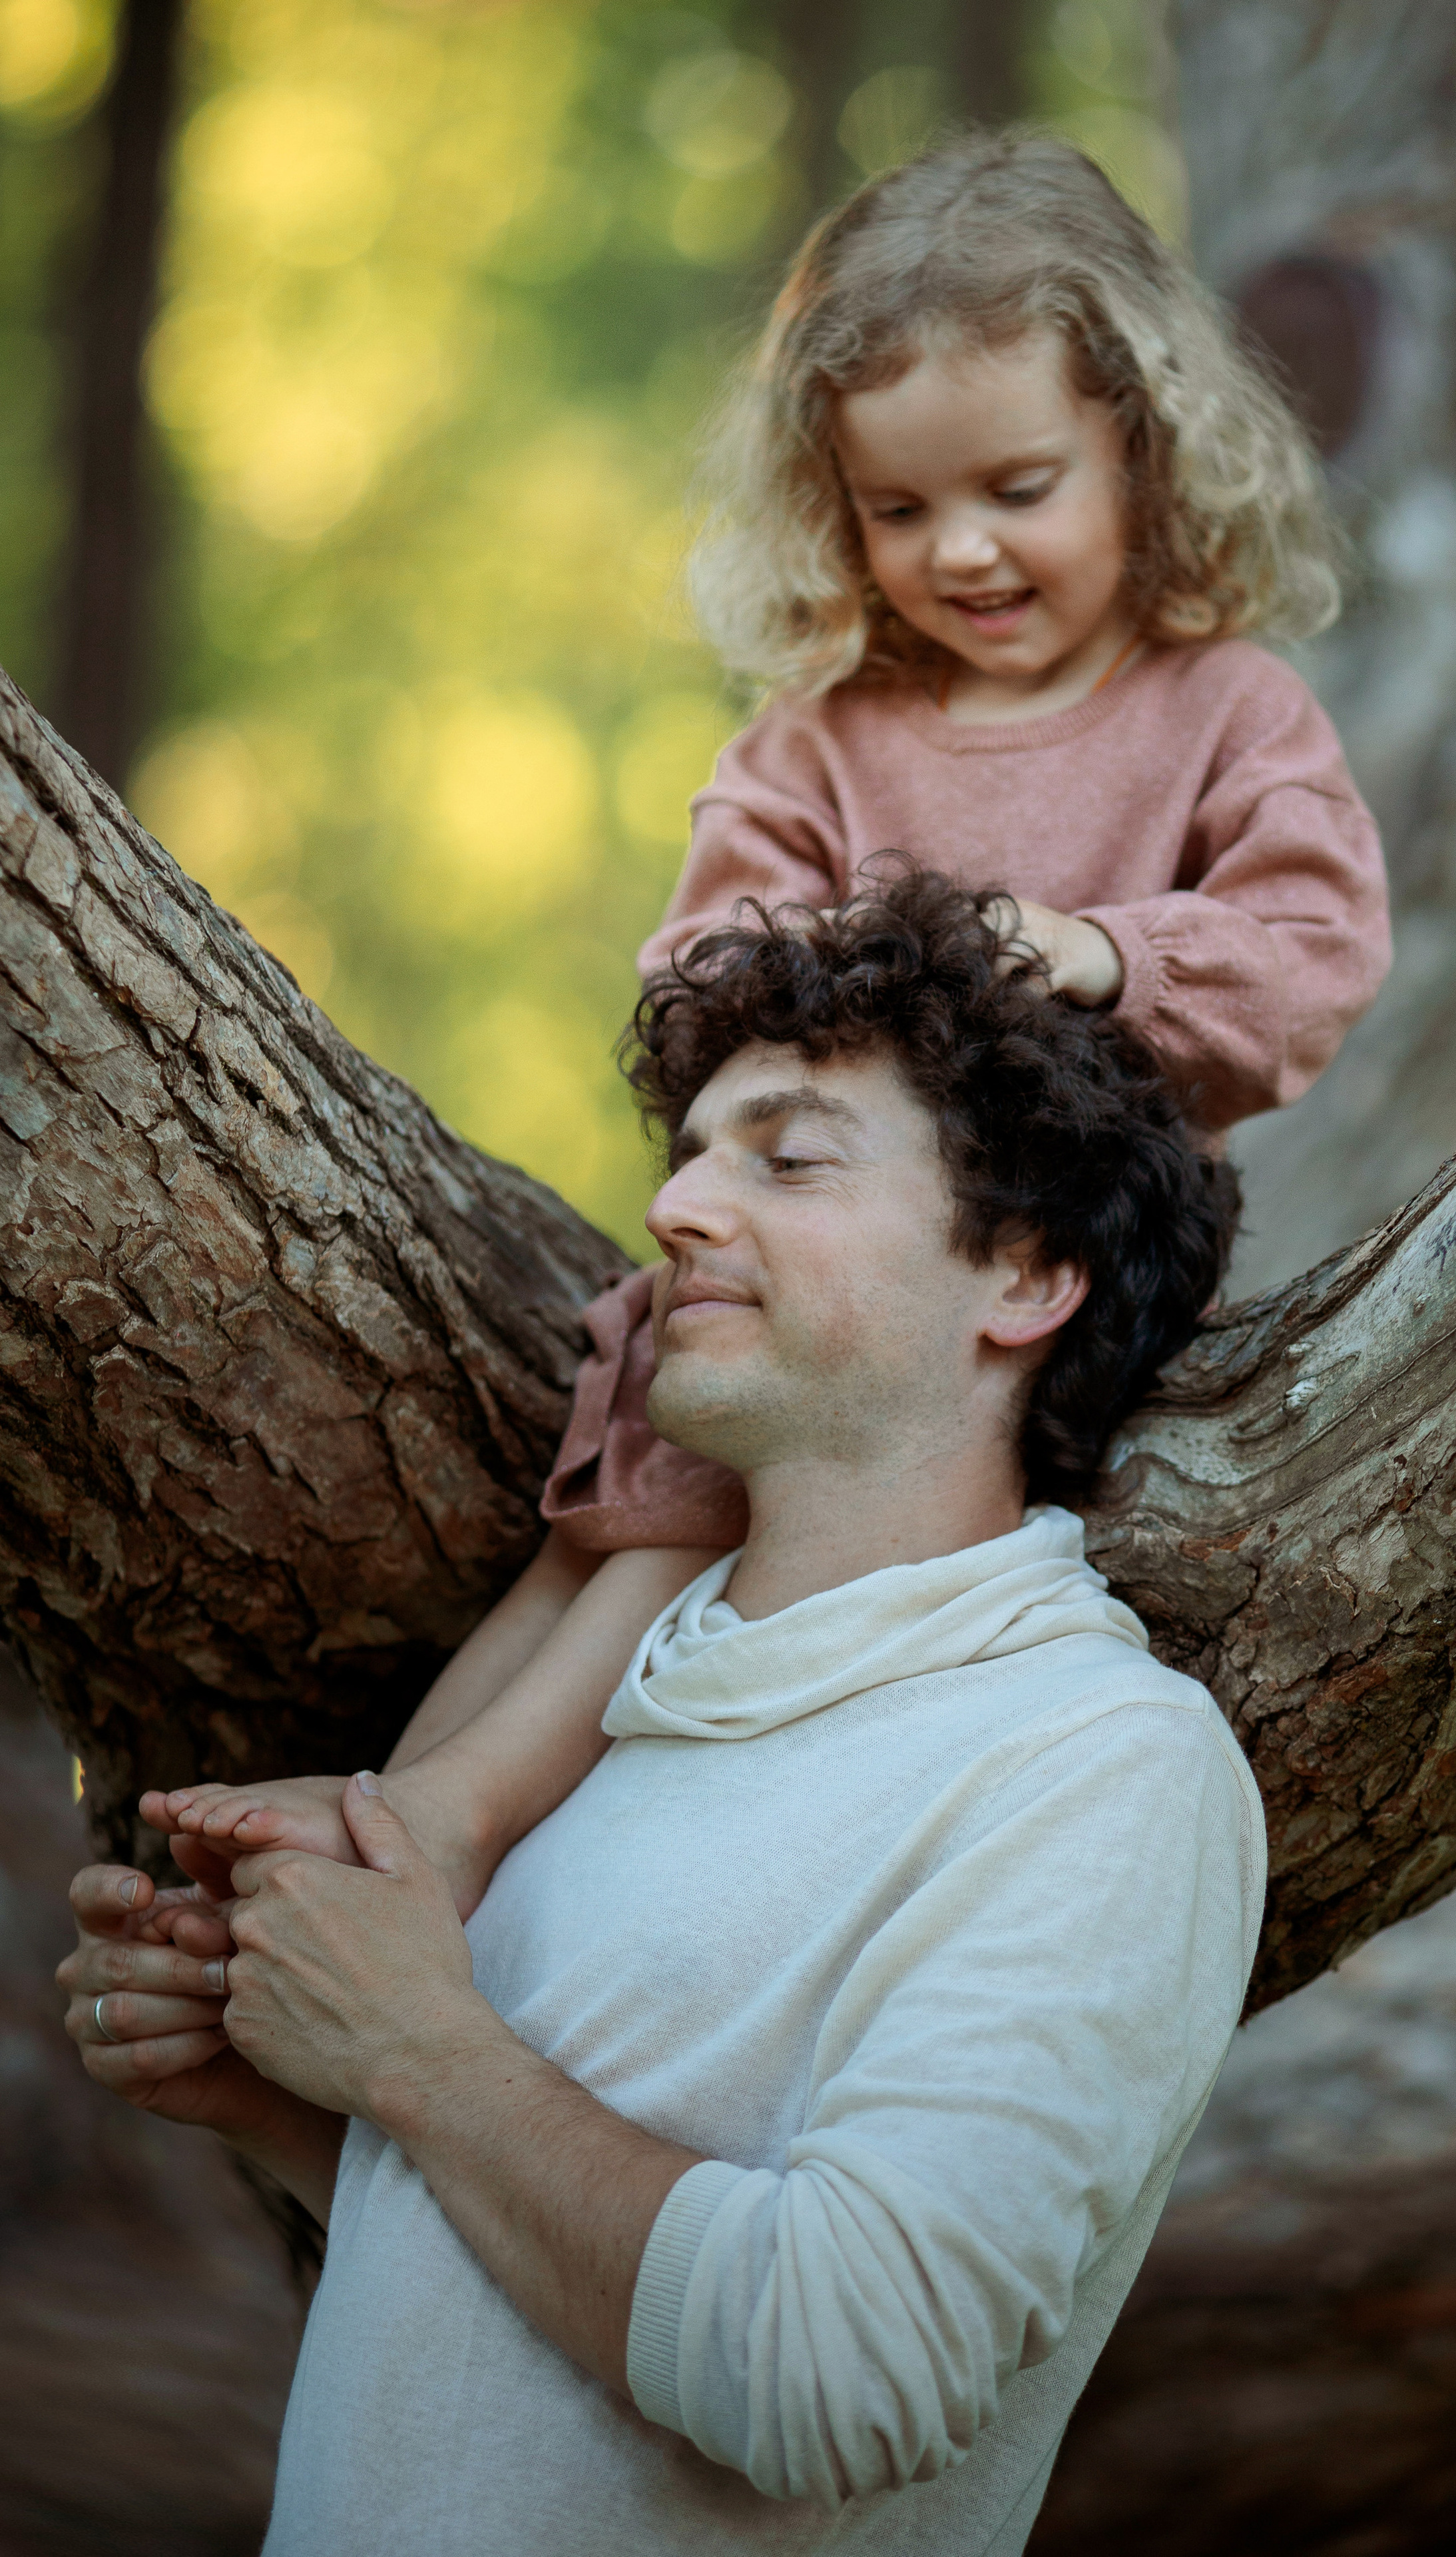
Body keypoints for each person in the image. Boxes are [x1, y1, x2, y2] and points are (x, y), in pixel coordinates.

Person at [139, 127, 1387, 1913]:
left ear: (1145, 442)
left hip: (1022, 1262)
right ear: (835, 501)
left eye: (1017, 487)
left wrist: (1102, 952)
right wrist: (833, 976)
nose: (962, 549)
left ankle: (445, 1832)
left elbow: (1311, 953)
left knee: (701, 1507)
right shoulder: (819, 740)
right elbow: (698, 972)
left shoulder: (1225, 712)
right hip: (802, 1225)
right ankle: (382, 1819)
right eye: (899, 510)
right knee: (603, 1528)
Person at [61, 874, 1266, 2554]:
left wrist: (418, 2050)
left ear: (1024, 1274)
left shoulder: (1092, 1766)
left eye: (786, 1158)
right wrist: (288, 2075)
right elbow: (537, 2283)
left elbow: (838, 2382)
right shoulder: (621, 1702)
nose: (685, 1209)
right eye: (689, 1157)